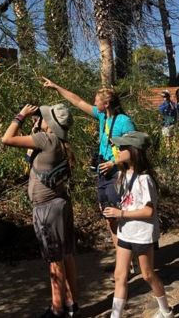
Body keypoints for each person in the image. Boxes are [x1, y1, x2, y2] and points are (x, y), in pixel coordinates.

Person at [2, 103, 78, 318]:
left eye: (43, 117)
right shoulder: (59, 142)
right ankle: (71, 303)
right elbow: (30, 160)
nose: (40, 118)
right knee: (67, 254)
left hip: (47, 210)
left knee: (55, 260)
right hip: (60, 205)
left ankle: (57, 309)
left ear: (51, 124)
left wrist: (21, 116)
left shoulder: (46, 140)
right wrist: (36, 127)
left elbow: (6, 139)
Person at [42, 77, 136, 250]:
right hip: (102, 172)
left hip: (117, 173)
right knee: (109, 217)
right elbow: (77, 101)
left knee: (119, 215)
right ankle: (122, 260)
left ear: (106, 103)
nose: (93, 103)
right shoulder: (101, 116)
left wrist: (113, 162)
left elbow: (135, 149)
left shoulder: (124, 121)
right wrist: (56, 87)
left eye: (97, 100)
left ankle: (132, 257)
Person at [103, 131, 175, 318]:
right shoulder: (122, 175)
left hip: (141, 234)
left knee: (147, 274)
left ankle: (166, 311)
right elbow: (126, 202)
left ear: (134, 151)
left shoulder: (145, 179)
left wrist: (121, 213)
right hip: (125, 232)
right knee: (120, 275)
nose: (118, 150)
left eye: (122, 147)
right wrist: (114, 214)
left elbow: (149, 211)